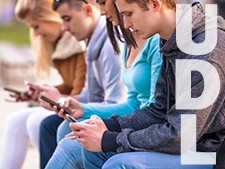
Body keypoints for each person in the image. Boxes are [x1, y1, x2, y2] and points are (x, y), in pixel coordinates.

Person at [67, 0, 224, 168]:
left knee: (120, 164)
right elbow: (159, 111)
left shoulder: (205, 47)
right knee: (94, 150)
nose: (125, 25)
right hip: (187, 144)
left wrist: (111, 139)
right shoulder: (171, 40)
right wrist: (109, 125)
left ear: (155, 4)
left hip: (210, 153)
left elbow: (180, 136)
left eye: (129, 14)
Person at [44, 0, 162, 168]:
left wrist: (107, 131)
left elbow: (156, 110)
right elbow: (133, 103)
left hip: (150, 130)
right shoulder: (129, 41)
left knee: (70, 145)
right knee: (66, 129)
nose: (101, 10)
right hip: (137, 120)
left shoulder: (156, 41)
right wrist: (83, 110)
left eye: (103, 2)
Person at [38, 0, 127, 168]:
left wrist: (78, 107)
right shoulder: (92, 43)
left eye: (67, 18)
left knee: (62, 130)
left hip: (120, 118)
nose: (64, 27)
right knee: (52, 125)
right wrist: (63, 101)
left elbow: (117, 102)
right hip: (110, 114)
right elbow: (87, 93)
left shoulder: (112, 44)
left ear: (87, 10)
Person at [0, 0, 87, 168]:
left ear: (51, 18)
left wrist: (54, 96)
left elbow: (83, 93)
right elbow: (70, 86)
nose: (36, 33)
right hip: (75, 102)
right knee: (15, 119)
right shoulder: (60, 45)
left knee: (36, 121)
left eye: (36, 26)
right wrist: (39, 94)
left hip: (87, 107)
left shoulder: (77, 43)